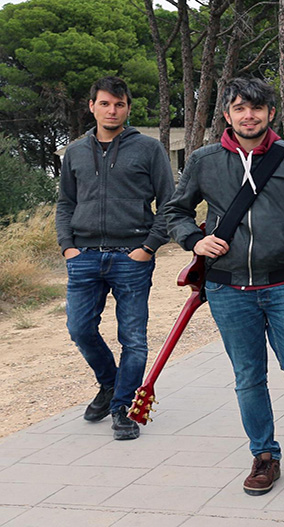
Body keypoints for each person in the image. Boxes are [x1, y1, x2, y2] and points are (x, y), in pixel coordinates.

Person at [164, 78, 284, 496]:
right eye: (240, 108)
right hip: (228, 290)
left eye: (257, 108)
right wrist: (194, 239)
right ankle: (264, 455)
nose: (249, 115)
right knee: (248, 377)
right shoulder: (204, 160)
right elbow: (175, 211)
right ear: (227, 115)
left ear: (271, 114)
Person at [56, 76, 175, 441]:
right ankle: (110, 385)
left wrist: (149, 246)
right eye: (105, 103)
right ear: (91, 106)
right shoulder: (74, 152)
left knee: (133, 339)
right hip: (84, 256)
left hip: (132, 256)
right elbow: (65, 203)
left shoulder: (149, 149)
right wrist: (68, 246)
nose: (112, 110)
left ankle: (122, 406)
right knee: (79, 328)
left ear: (127, 108)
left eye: (119, 104)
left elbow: (170, 203)